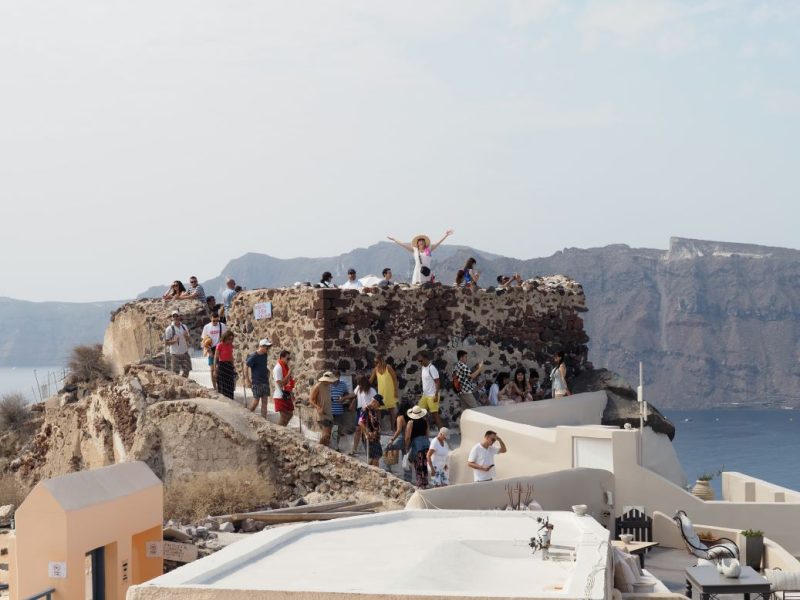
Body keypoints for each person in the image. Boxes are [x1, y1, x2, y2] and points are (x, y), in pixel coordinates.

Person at [387, 230, 453, 285]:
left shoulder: (428, 249)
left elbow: (438, 243)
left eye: (422, 241)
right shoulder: (415, 250)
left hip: (426, 272)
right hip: (418, 272)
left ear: (425, 243)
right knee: (417, 286)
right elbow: (403, 244)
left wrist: (446, 235)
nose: (421, 242)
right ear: (417, 243)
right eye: (420, 241)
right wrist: (394, 239)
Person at [310, 371, 339, 447]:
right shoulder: (318, 386)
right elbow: (311, 400)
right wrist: (318, 407)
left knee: (327, 435)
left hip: (328, 413)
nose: (332, 382)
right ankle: (320, 450)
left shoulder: (328, 386)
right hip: (321, 414)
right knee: (326, 435)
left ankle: (322, 450)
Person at [370, 355, 399, 430]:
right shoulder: (375, 369)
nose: (375, 364)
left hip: (390, 392)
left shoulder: (388, 367)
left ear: (381, 360)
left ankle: (393, 428)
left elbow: (395, 379)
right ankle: (379, 428)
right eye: (375, 362)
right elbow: (370, 380)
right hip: (381, 393)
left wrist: (396, 391)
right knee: (378, 410)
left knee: (391, 410)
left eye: (377, 362)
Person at [349, 375, 376, 455]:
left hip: (369, 411)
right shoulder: (358, 388)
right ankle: (354, 449)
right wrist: (344, 398)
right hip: (360, 410)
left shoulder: (372, 390)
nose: (359, 385)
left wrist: (369, 407)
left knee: (368, 430)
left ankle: (370, 450)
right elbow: (353, 394)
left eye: (360, 383)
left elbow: (376, 401)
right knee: (358, 430)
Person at [416, 351, 443, 429]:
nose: (420, 363)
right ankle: (424, 431)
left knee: (435, 414)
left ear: (425, 359)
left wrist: (436, 395)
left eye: (421, 361)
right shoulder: (423, 367)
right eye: (419, 361)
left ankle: (442, 433)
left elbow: (437, 382)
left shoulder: (432, 368)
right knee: (419, 412)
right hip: (425, 395)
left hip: (432, 395)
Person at [404, 405, 430, 488]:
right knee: (424, 464)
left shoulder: (410, 423)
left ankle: (420, 484)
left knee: (418, 465)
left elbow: (408, 437)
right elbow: (427, 434)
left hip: (416, 445)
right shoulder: (425, 421)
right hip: (426, 445)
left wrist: (407, 447)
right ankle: (425, 483)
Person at [245, 338, 272, 417]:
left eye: (268, 347)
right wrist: (247, 380)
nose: (268, 349)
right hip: (257, 382)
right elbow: (246, 366)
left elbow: (263, 365)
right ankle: (247, 416)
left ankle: (264, 421)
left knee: (265, 403)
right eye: (267, 347)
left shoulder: (265, 355)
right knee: (256, 402)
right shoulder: (254, 356)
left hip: (265, 381)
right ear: (261, 346)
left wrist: (267, 371)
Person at [329, 370, 354, 450]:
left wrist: (343, 398)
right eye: (334, 376)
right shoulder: (329, 384)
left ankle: (335, 446)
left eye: (336, 376)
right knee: (329, 429)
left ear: (339, 376)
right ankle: (329, 445)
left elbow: (347, 394)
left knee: (338, 429)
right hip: (329, 411)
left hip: (339, 410)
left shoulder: (343, 384)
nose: (335, 378)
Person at [359, 394, 384, 466]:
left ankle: (370, 470)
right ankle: (375, 473)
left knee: (377, 455)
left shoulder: (373, 410)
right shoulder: (366, 409)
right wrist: (367, 433)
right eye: (379, 404)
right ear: (374, 402)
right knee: (375, 456)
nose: (379, 407)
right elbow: (360, 422)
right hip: (370, 437)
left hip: (375, 437)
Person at [164, 312, 191, 377]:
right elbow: (166, 342)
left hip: (184, 352)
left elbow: (188, 339)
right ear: (172, 318)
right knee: (175, 373)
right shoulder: (169, 329)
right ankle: (179, 385)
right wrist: (174, 341)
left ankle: (183, 384)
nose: (175, 318)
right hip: (175, 354)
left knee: (187, 370)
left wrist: (186, 336)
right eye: (174, 316)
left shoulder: (184, 326)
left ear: (179, 317)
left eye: (177, 316)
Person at [273, 350, 296, 426]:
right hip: (280, 395)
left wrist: (292, 396)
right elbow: (280, 384)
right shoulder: (278, 368)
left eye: (289, 359)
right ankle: (279, 432)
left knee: (290, 414)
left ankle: (282, 430)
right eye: (287, 359)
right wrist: (289, 374)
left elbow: (288, 384)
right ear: (282, 357)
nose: (289, 361)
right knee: (284, 416)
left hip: (285, 395)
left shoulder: (285, 367)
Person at [213, 330, 236, 399]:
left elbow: (231, 356)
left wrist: (233, 366)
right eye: (229, 339)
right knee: (222, 384)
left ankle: (231, 399)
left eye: (232, 339)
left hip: (229, 366)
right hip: (222, 365)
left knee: (230, 384)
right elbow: (216, 358)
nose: (231, 340)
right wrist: (215, 369)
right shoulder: (220, 345)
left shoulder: (230, 345)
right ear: (225, 338)